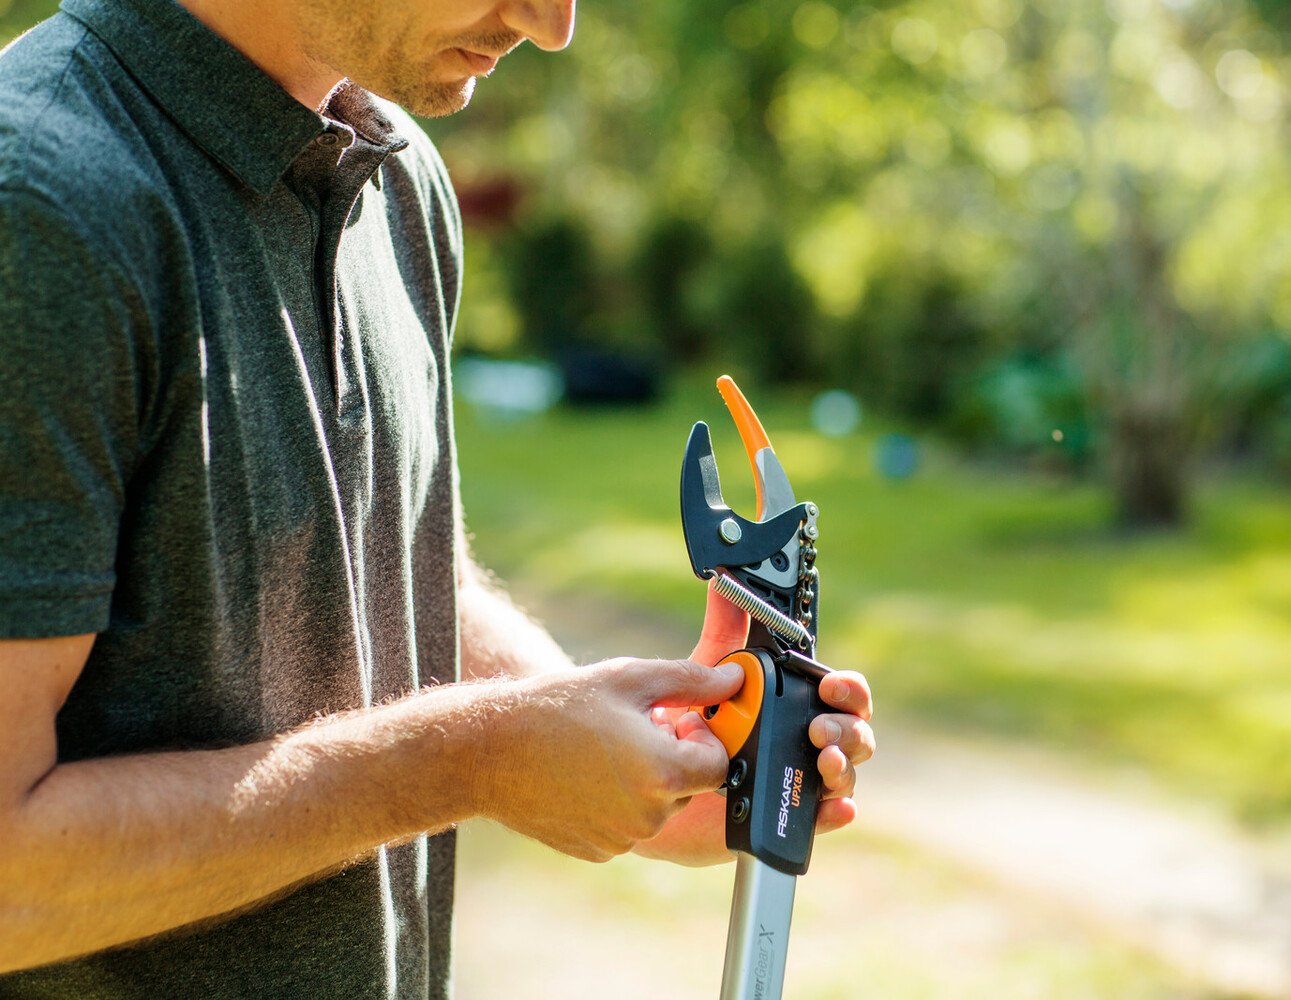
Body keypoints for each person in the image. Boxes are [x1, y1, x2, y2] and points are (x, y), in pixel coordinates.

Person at [0, 0, 876, 995]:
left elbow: (397, 565)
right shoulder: (38, 206)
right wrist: (474, 759)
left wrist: (644, 741)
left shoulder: (395, 174)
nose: (554, 25)